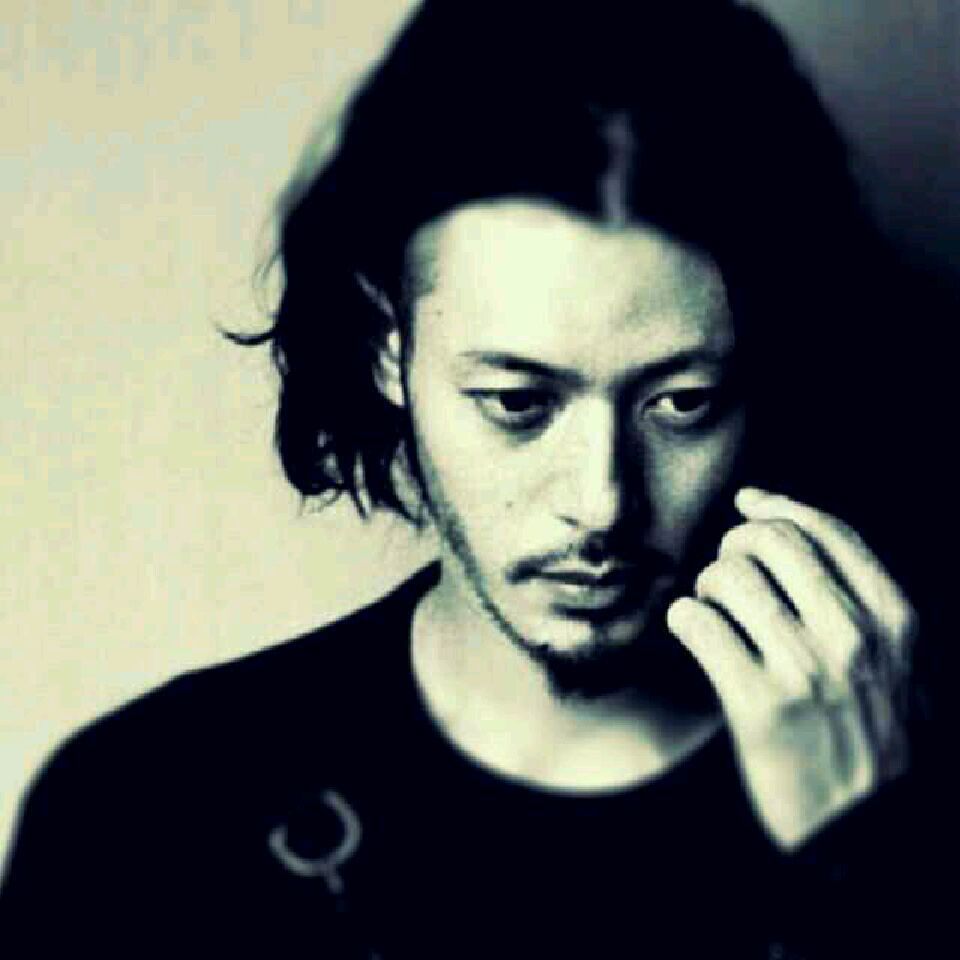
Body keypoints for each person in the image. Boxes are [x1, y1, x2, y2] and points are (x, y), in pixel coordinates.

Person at [0, 1, 950, 956]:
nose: (602, 503)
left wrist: (860, 867)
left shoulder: (923, 801)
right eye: (517, 402)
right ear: (389, 348)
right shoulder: (144, 819)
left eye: (682, 402)